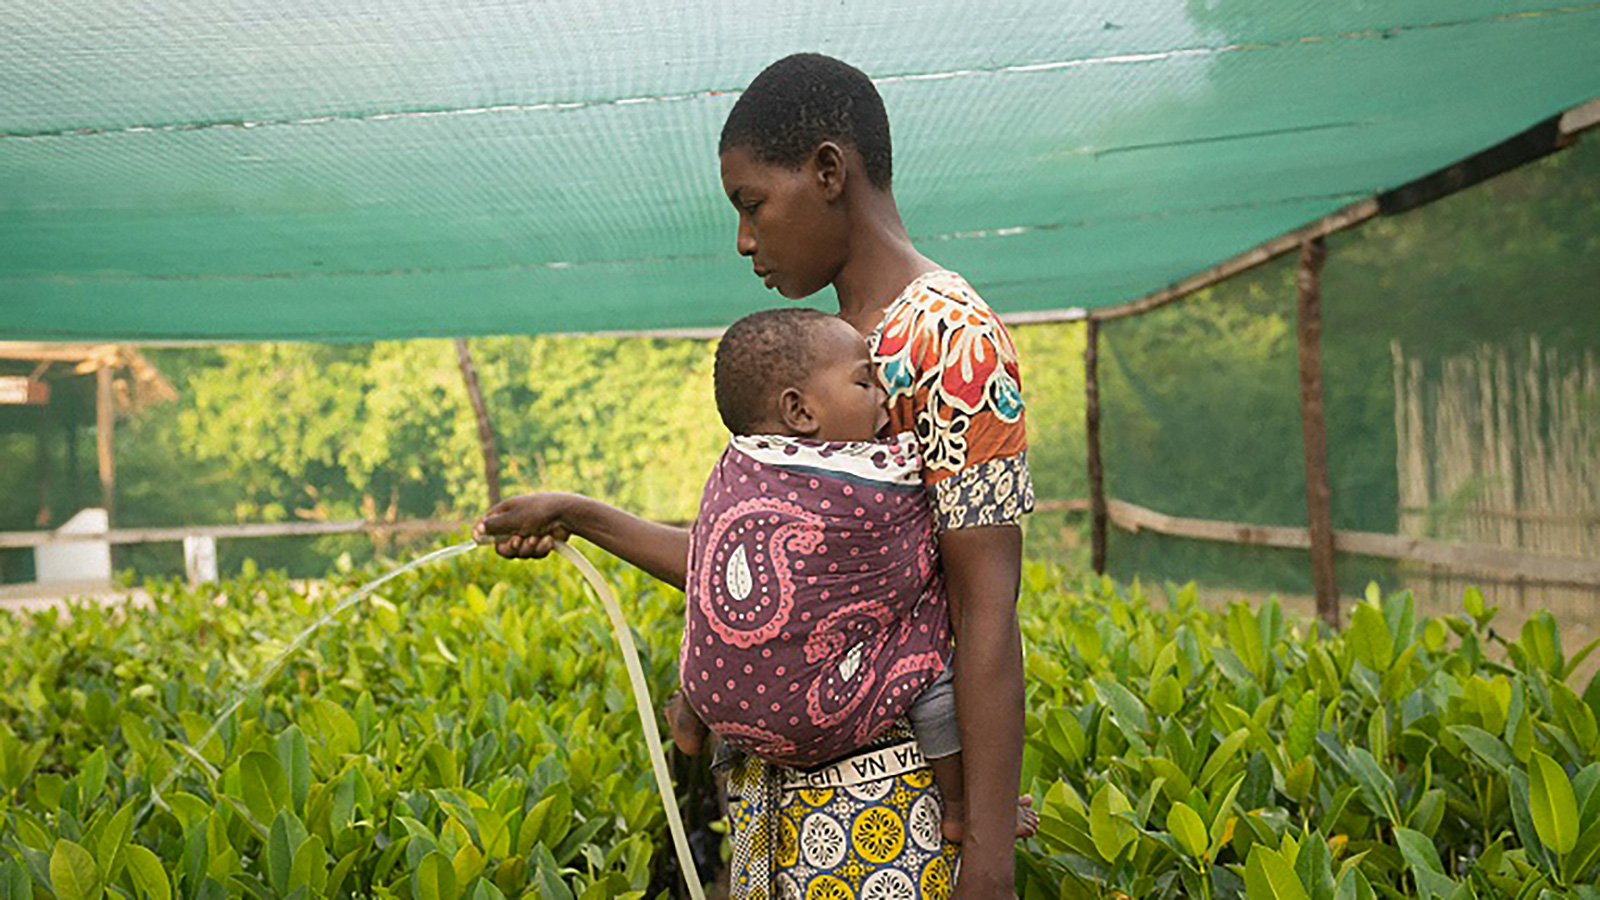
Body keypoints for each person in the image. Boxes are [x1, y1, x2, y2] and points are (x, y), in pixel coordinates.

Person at [483, 53, 1032, 898]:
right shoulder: (825, 355)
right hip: (774, 822)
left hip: (889, 822)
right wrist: (579, 516)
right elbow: (755, 577)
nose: (744, 240)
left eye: (752, 204)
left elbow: (986, 609)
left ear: (828, 172)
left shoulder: (952, 342)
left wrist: (988, 860)